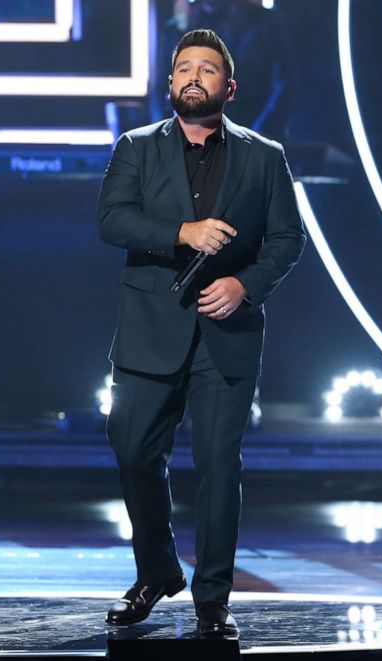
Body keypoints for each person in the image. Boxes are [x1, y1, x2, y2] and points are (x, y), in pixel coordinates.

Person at [98, 29, 305, 636]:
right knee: (134, 451)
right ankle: (157, 570)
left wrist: (246, 285)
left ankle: (213, 598)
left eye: (207, 69)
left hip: (227, 331)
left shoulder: (264, 156)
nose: (194, 76)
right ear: (168, 84)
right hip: (148, 329)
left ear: (229, 87)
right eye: (183, 67)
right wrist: (182, 233)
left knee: (218, 466)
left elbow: (287, 240)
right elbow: (112, 220)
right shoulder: (135, 147)